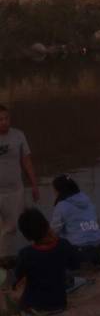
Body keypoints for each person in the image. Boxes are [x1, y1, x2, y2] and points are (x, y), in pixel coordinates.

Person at [0, 105, 39, 262]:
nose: (4, 122)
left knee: (12, 227)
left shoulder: (18, 135)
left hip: (15, 190)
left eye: (6, 118)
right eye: (0, 119)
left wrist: (34, 185)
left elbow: (26, 161)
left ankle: (6, 260)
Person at [49, 175, 100, 271]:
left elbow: (53, 232)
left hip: (80, 250)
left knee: (54, 239)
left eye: (54, 190)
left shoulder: (61, 206)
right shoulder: (87, 201)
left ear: (59, 190)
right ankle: (94, 262)